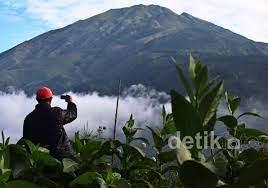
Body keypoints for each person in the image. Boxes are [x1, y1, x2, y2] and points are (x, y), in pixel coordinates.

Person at [23, 87, 77, 159]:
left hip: (42, 160)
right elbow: (72, 114)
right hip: (63, 156)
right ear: (50, 99)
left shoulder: (28, 118)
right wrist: (70, 102)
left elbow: (27, 141)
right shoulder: (57, 113)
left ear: (37, 99)